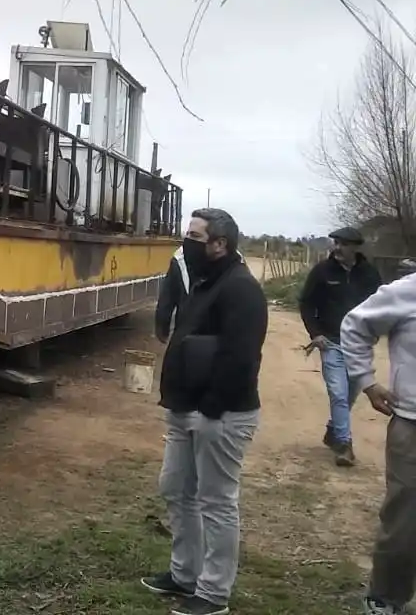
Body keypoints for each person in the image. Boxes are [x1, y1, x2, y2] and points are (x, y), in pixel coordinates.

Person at [140, 208, 268, 615]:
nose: (186, 242)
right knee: (176, 489)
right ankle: (184, 574)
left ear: (220, 244)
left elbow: (242, 357)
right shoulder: (204, 282)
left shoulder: (241, 289)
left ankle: (213, 594)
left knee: (216, 501)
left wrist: (212, 407)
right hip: (185, 408)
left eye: (195, 236)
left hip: (220, 414)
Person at [340, 257, 416, 615]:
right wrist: (367, 382)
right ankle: (385, 598)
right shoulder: (408, 291)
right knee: (404, 520)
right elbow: (355, 325)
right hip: (412, 426)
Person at [298, 226, 382, 467]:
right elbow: (306, 304)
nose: (337, 248)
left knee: (351, 393)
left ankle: (333, 430)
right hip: (331, 343)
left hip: (360, 346)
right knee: (338, 393)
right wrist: (316, 334)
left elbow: (380, 307)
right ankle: (344, 445)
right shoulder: (322, 272)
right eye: (335, 242)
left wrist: (375, 332)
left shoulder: (369, 275)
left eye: (343, 244)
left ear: (355, 247)